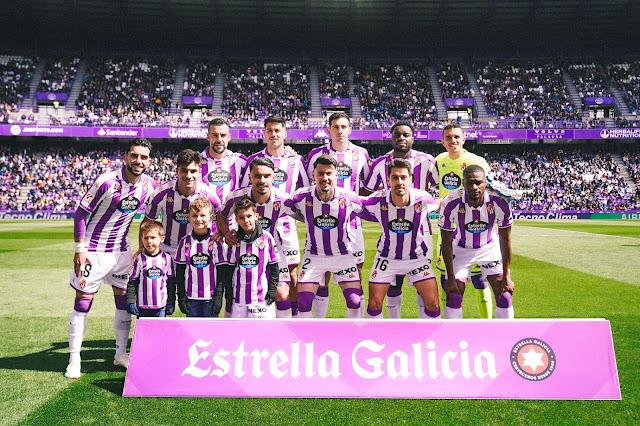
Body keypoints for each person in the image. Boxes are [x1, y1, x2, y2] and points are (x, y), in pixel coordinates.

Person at [65, 138, 156, 379]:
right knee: (82, 304)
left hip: (121, 253)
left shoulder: (148, 185)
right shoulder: (106, 181)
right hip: (93, 253)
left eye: (143, 157)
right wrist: (80, 249)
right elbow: (81, 214)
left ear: (149, 161)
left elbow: (151, 217)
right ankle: (74, 359)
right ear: (126, 157)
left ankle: (120, 354)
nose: (138, 161)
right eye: (134, 155)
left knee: (123, 303)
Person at [363, 120, 438, 318]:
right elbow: (366, 192)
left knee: (424, 290)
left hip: (423, 232)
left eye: (406, 135)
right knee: (394, 286)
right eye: (397, 135)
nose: (401, 138)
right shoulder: (380, 163)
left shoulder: (427, 161)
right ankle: (394, 327)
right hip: (393, 229)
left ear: (413, 138)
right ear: (392, 137)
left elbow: (442, 187)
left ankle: (423, 332)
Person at [241, 115, 310, 316]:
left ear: (285, 133)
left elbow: (304, 191)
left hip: (287, 225)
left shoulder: (295, 160)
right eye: (269, 130)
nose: (273, 134)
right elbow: (245, 191)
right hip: (259, 226)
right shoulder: (254, 160)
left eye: (277, 130)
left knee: (293, 275)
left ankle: (295, 317)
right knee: (261, 270)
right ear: (264, 133)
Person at [283, 154, 364, 319]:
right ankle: (308, 339)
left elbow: (369, 212)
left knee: (355, 302)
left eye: (329, 173)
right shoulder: (301, 196)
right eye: (320, 173)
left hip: (342, 256)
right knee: (303, 304)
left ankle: (352, 337)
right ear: (313, 175)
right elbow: (290, 210)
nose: (324, 178)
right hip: (313, 256)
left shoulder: (349, 198)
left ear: (336, 175)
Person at [306, 112, 370, 318]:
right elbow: (309, 187)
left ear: (350, 129)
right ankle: (320, 323)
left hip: (352, 225)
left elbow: (366, 189)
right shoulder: (316, 155)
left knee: (356, 271)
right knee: (322, 275)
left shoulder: (362, 154)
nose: (340, 131)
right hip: (321, 224)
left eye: (344, 127)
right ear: (329, 130)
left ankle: (355, 322)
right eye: (335, 127)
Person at [218, 157, 293, 317]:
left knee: (281, 294)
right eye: (257, 175)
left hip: (271, 247)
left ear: (274, 177)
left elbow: (304, 215)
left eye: (267, 176)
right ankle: (230, 329)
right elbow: (221, 215)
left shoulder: (283, 199)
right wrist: (225, 232)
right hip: (242, 247)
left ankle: (283, 336)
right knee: (234, 292)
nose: (262, 180)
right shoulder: (235, 197)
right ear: (250, 177)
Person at [438, 165, 515, 319]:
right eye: (469, 182)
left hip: (488, 247)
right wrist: (451, 278)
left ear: (485, 183)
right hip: (460, 248)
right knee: (453, 295)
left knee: (504, 294)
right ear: (463, 183)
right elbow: (446, 242)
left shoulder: (500, 201)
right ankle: (451, 339)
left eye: (478, 182)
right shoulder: (451, 201)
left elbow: (505, 239)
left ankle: (505, 339)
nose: (474, 187)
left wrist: (507, 275)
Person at [434, 123, 494, 318]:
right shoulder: (439, 160)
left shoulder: (477, 161)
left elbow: (489, 188)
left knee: (479, 280)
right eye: (449, 138)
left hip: (473, 226)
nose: (453, 141)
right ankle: (447, 322)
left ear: (464, 139)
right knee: (447, 278)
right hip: (447, 226)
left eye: (457, 137)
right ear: (443, 141)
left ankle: (488, 323)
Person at [142, 149, 221, 259]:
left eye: (193, 171)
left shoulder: (209, 196)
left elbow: (221, 221)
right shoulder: (161, 193)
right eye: (184, 170)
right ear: (176, 170)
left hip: (198, 251)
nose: (188, 176)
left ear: (199, 171)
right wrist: (142, 250)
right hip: (168, 251)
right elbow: (146, 224)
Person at [210, 198, 280, 318]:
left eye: (249, 216)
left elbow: (274, 266)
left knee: (262, 334)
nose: (246, 220)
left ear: (256, 216)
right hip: (238, 300)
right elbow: (229, 270)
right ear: (236, 219)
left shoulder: (266, 238)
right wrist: (227, 294)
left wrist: (273, 289)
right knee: (236, 334)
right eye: (241, 217)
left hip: (261, 299)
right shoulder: (233, 239)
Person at [174, 196, 226, 317]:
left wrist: (218, 295)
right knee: (193, 332)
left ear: (211, 217)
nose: (199, 219)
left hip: (210, 297)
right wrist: (181, 296)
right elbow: (180, 271)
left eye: (203, 215)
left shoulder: (216, 242)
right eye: (194, 216)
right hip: (191, 297)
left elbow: (221, 271)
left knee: (211, 333)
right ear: (189, 217)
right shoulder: (184, 242)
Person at [126, 221, 176, 318]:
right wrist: (130, 302)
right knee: (144, 332)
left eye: (153, 238)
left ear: (161, 239)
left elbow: (171, 283)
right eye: (146, 238)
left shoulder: (167, 259)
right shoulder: (138, 259)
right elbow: (132, 282)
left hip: (160, 306)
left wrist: (171, 302)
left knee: (160, 332)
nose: (149, 241)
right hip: (142, 307)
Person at [200, 117, 248, 209]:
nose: (219, 139)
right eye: (215, 135)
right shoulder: (196, 161)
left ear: (229, 137)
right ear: (208, 137)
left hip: (232, 222)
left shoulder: (240, 161)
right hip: (204, 222)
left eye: (223, 135)